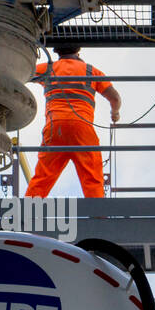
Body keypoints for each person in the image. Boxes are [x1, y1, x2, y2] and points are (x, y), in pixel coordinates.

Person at [24, 45, 121, 199]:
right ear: (78, 51)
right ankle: (99, 217)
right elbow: (115, 98)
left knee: (43, 177)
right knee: (92, 176)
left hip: (55, 128)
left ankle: (25, 214)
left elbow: (21, 73)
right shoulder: (91, 71)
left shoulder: (48, 69)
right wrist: (115, 113)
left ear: (56, 51)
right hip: (82, 129)